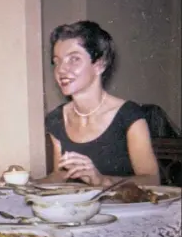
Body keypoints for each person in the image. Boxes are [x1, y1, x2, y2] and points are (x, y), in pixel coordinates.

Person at [41, 20, 160, 187]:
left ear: (99, 65)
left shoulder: (128, 115)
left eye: (74, 59)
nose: (61, 69)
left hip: (123, 211)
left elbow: (152, 179)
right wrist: (23, 185)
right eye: (57, 61)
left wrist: (103, 181)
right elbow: (61, 177)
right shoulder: (56, 120)